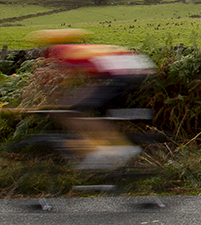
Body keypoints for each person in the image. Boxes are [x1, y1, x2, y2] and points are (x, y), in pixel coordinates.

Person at [26, 29, 156, 172]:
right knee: (83, 106)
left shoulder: (62, 51)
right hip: (131, 69)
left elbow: (66, 84)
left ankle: (120, 148)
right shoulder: (76, 49)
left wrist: (57, 105)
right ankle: (108, 147)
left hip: (121, 74)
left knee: (75, 111)